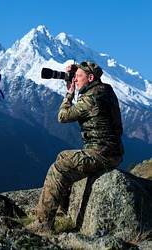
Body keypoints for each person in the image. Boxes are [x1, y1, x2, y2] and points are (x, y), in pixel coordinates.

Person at [26, 61, 124, 233]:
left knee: (59, 168)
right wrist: (77, 72)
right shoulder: (105, 90)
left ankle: (43, 224)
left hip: (101, 153)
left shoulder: (91, 99)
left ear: (91, 78)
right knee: (63, 156)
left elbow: (62, 117)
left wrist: (69, 93)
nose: (75, 79)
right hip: (111, 151)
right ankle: (63, 210)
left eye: (79, 77)